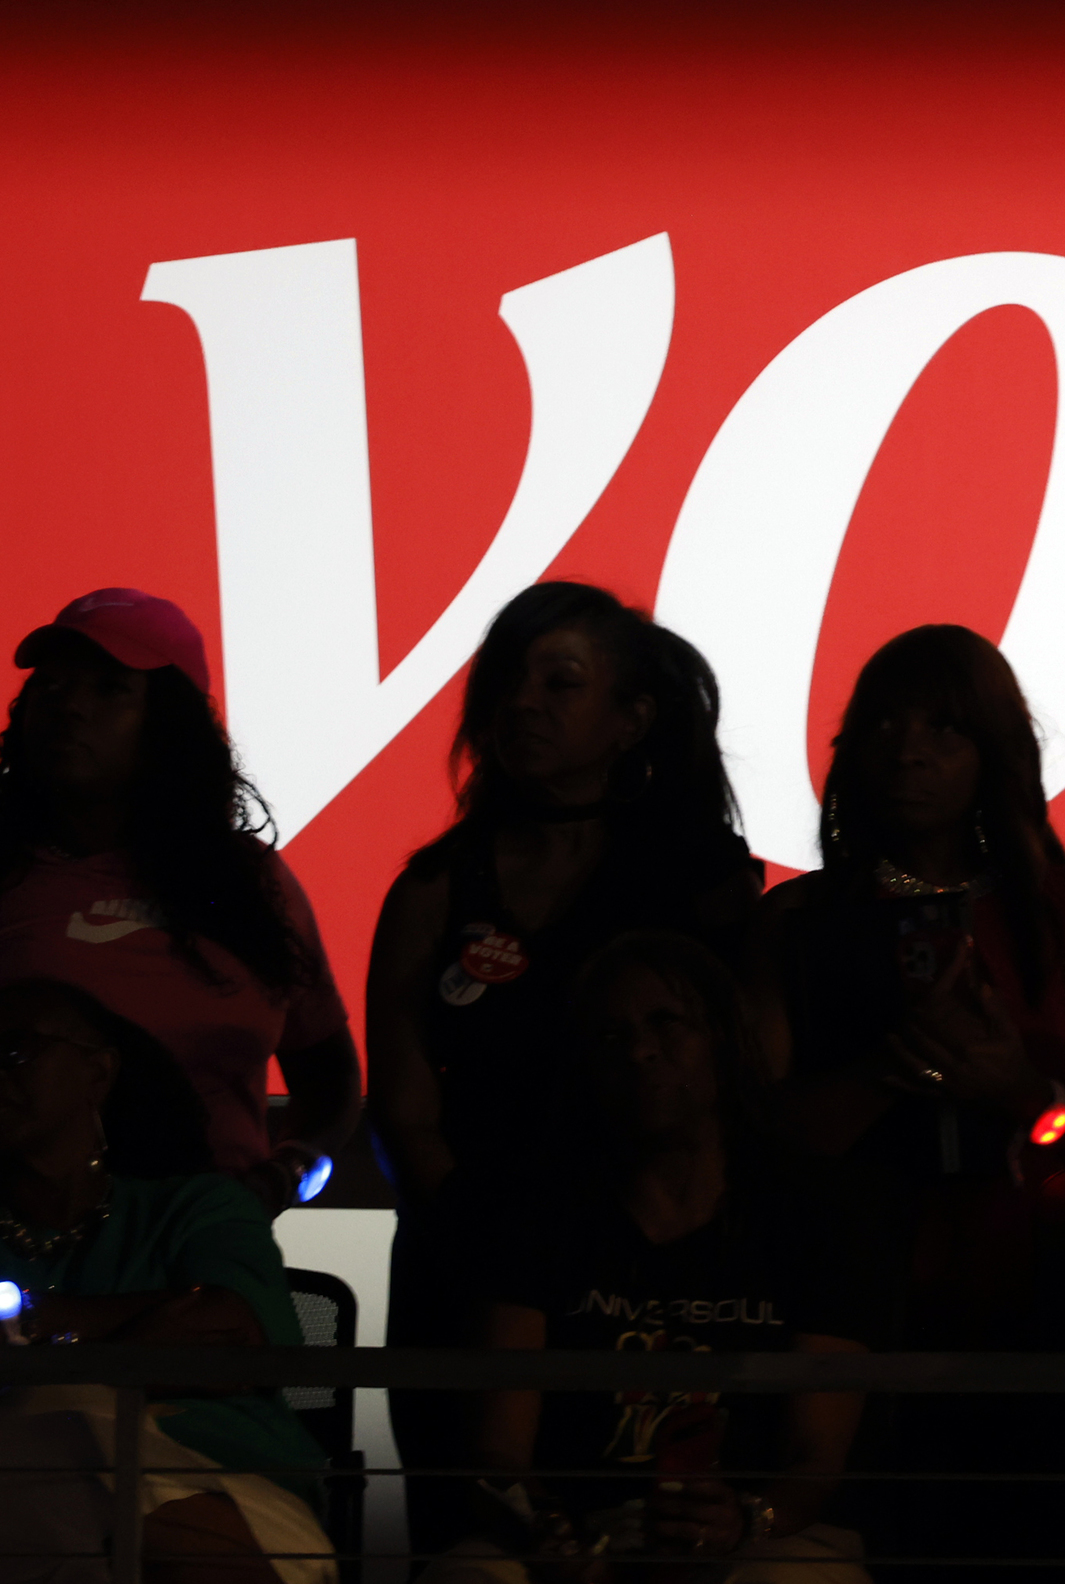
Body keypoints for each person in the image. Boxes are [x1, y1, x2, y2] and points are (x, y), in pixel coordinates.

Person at [366, 582, 766, 1548]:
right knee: (473, 1533)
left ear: (632, 719)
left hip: (646, 1271)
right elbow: (404, 1092)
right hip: (464, 1247)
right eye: (510, 679)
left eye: (562, 682)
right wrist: (474, 1233)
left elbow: (751, 1070)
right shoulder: (436, 883)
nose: (524, 701)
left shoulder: (699, 878)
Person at [0, 588, 360, 1218]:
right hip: (13, 1257)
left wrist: (281, 1178)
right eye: (53, 684)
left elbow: (330, 1077)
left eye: (108, 688)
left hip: (212, 1263)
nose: (68, 704)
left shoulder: (252, 884)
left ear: (172, 723)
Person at [0, 977, 335, 1583]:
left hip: (221, 1483)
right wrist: (122, 1351)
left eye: (17, 1049)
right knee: (58, 1426)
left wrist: (27, 1331)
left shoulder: (201, 1209)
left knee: (69, 1429)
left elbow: (229, 1338)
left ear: (98, 1073)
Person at [772, 623, 1065, 1345]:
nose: (908, 751)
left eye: (944, 727)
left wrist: (1028, 1094)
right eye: (885, 724)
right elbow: (749, 1132)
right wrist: (898, 1067)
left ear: (994, 748)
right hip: (840, 1301)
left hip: (1058, 1287)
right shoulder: (795, 919)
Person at [431, 933, 879, 1584]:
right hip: (585, 1527)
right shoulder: (536, 1212)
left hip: (758, 1531)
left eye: (666, 1023)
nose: (640, 1051)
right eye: (612, 1036)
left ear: (724, 1039)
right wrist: (545, 1526)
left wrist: (746, 1519)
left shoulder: (813, 1213)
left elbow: (816, 1456)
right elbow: (498, 1446)